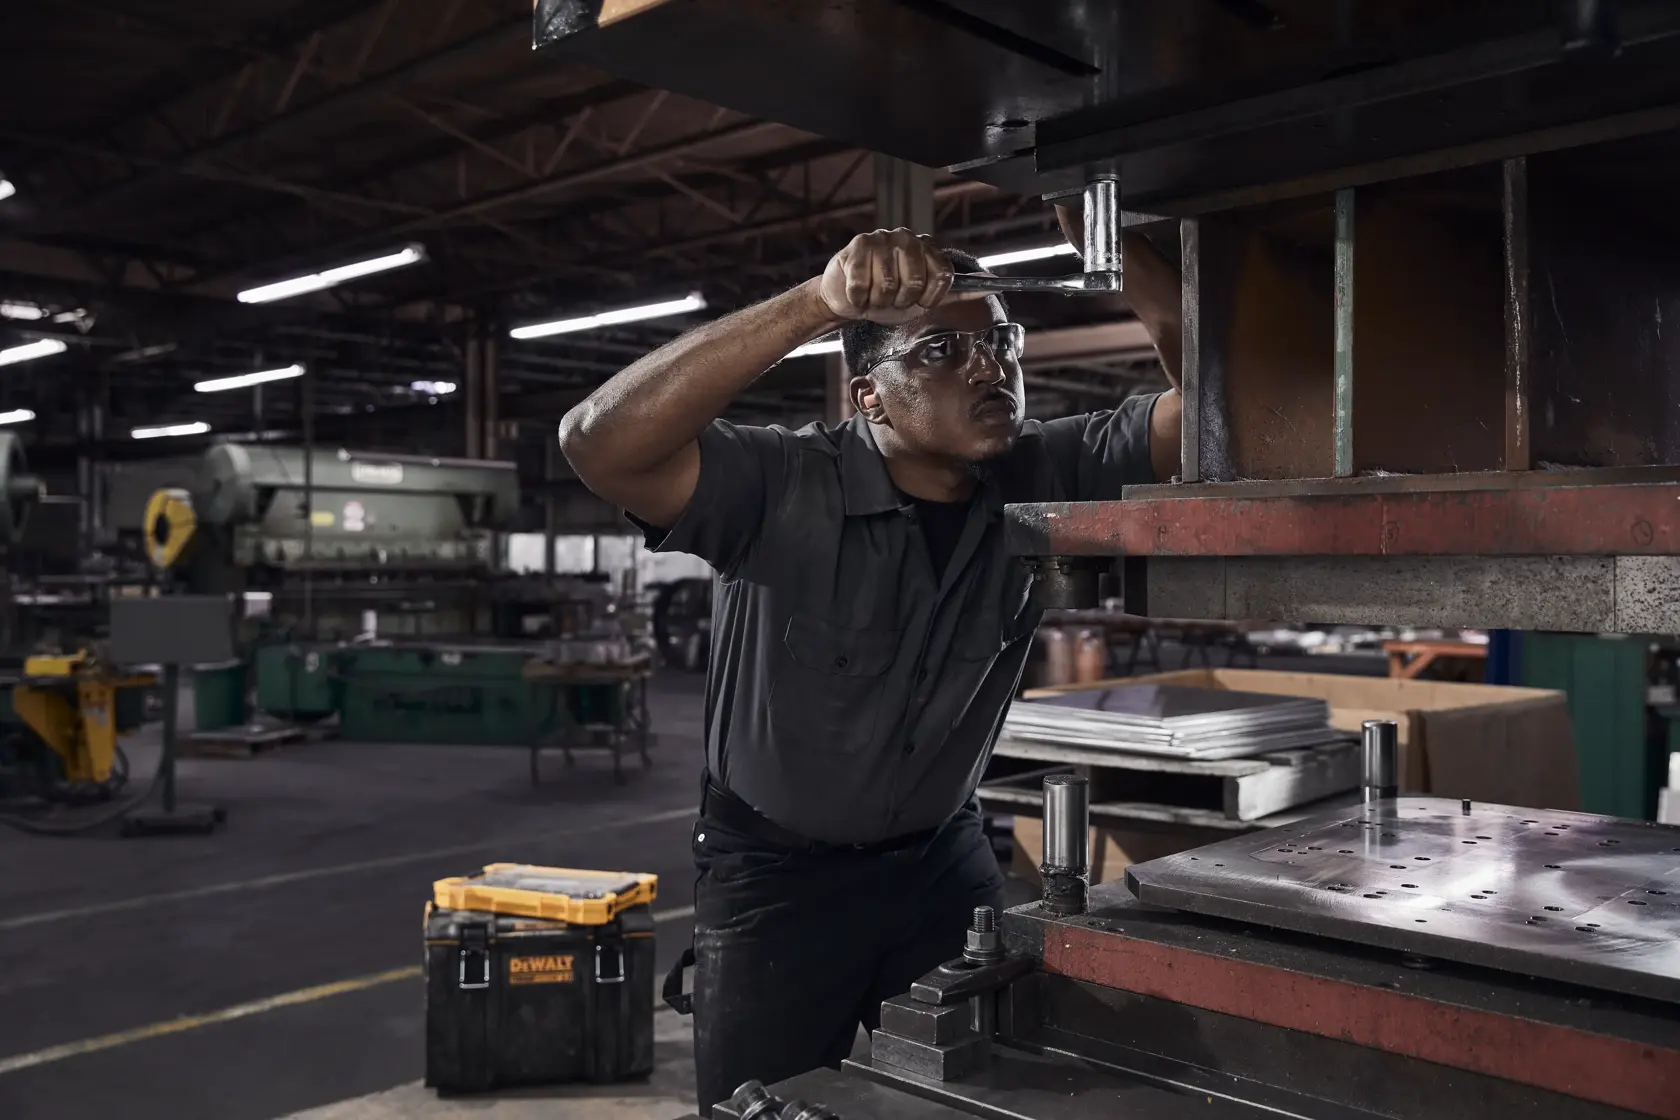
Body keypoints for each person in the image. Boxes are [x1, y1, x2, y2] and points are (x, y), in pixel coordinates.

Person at [558, 217, 1181, 1114]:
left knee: (984, 1093)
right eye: (941, 350)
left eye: (1001, 341)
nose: (989, 367)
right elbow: (597, 442)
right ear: (870, 398)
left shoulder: (1046, 470)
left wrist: (1132, 246)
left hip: (942, 863)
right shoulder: (779, 485)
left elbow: (1218, 409)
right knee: (761, 1105)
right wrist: (816, 304)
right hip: (777, 881)